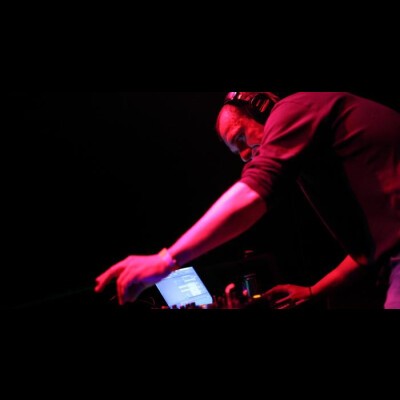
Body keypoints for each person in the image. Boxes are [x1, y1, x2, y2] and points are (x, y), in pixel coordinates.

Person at [94, 92, 400, 309]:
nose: (244, 155)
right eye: (235, 151)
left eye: (240, 137)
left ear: (262, 107)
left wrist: (166, 259)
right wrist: (312, 291)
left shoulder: (290, 110)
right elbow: (368, 252)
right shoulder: (320, 158)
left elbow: (255, 189)